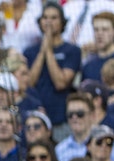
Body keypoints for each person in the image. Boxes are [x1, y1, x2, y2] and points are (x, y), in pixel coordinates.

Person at [24, 1, 81, 132]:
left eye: (54, 18)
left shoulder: (72, 51)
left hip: (61, 119)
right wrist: (42, 52)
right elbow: (29, 83)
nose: (49, 22)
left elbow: (60, 83)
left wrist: (48, 51)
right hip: (35, 118)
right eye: (45, 17)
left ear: (62, 22)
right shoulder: (30, 51)